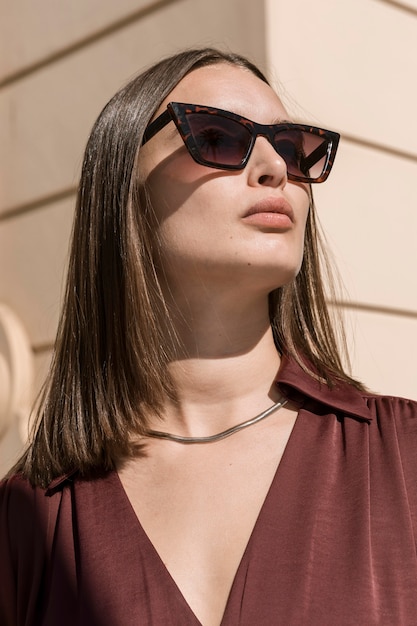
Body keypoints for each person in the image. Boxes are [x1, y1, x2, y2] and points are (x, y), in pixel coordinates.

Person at [1, 47, 416, 626]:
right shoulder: (28, 521)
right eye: (219, 136)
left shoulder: (404, 462)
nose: (275, 167)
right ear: (123, 188)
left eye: (293, 148)